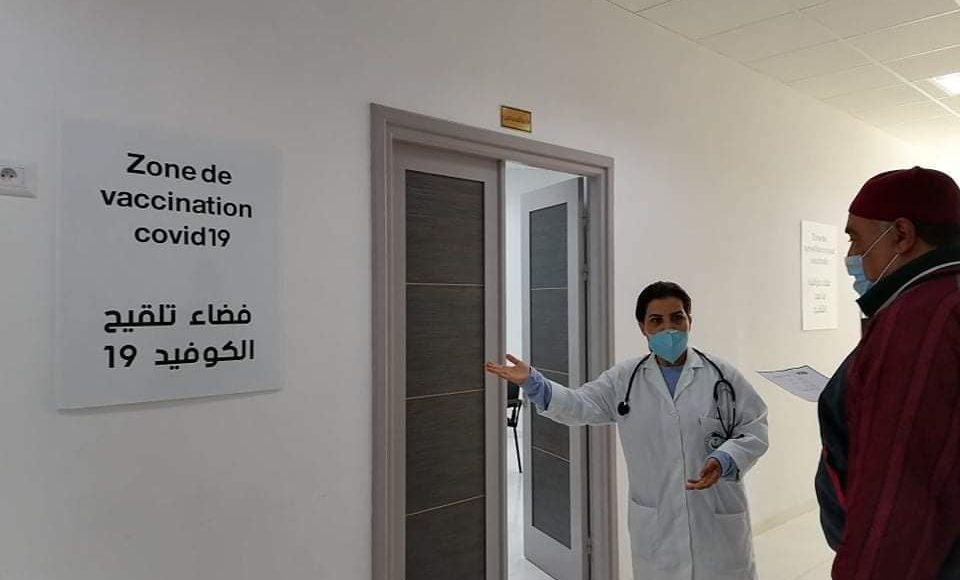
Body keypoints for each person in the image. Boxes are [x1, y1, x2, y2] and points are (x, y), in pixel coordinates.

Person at [485, 281, 768, 580]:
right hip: (657, 525)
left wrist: (725, 459)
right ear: (643, 328)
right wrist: (534, 383)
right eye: (656, 320)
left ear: (690, 321)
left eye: (677, 317)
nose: (669, 328)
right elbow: (579, 405)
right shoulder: (624, 379)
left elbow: (754, 426)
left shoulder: (722, 376)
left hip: (717, 524)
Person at [817, 166, 960, 579]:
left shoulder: (922, 319)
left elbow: (898, 496)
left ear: (901, 235)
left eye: (856, 238)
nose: (851, 256)